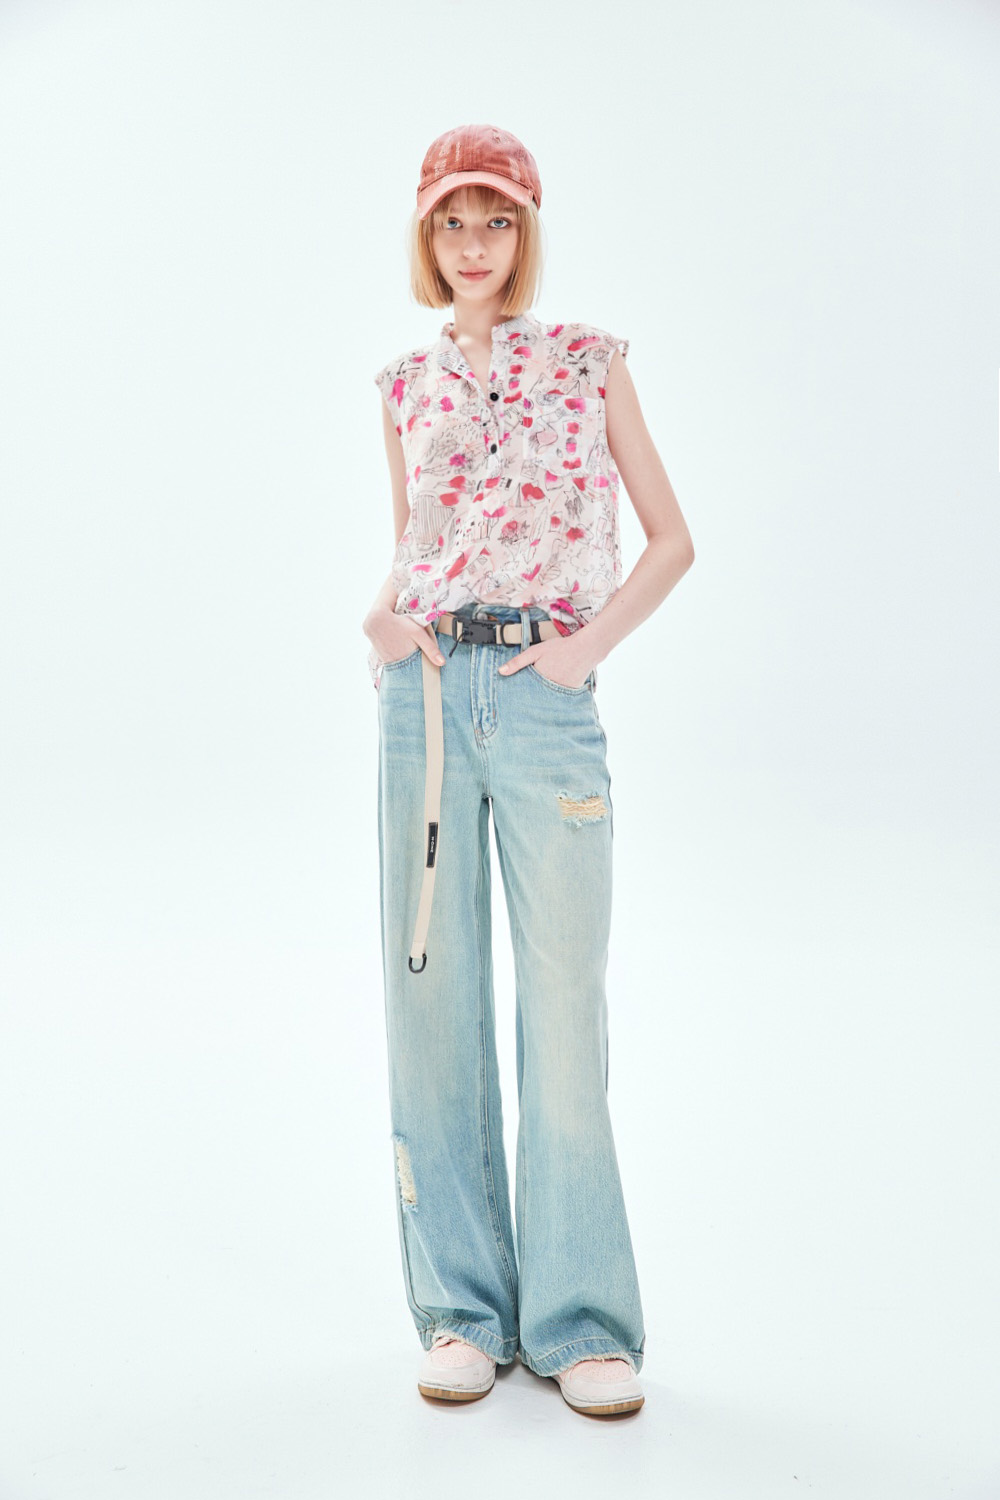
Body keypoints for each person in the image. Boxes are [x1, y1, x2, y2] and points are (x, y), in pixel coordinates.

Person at [363, 123, 695, 1417]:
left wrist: (582, 651)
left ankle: (582, 1321)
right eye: (452, 221)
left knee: (563, 1015)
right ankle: (460, 1313)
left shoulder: (589, 361)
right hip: (425, 704)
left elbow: (670, 540)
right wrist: (380, 619)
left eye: (494, 220)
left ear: (526, 231)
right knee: (430, 1009)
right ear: (426, 236)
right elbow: (417, 547)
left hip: (547, 701)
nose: (473, 244)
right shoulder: (402, 384)